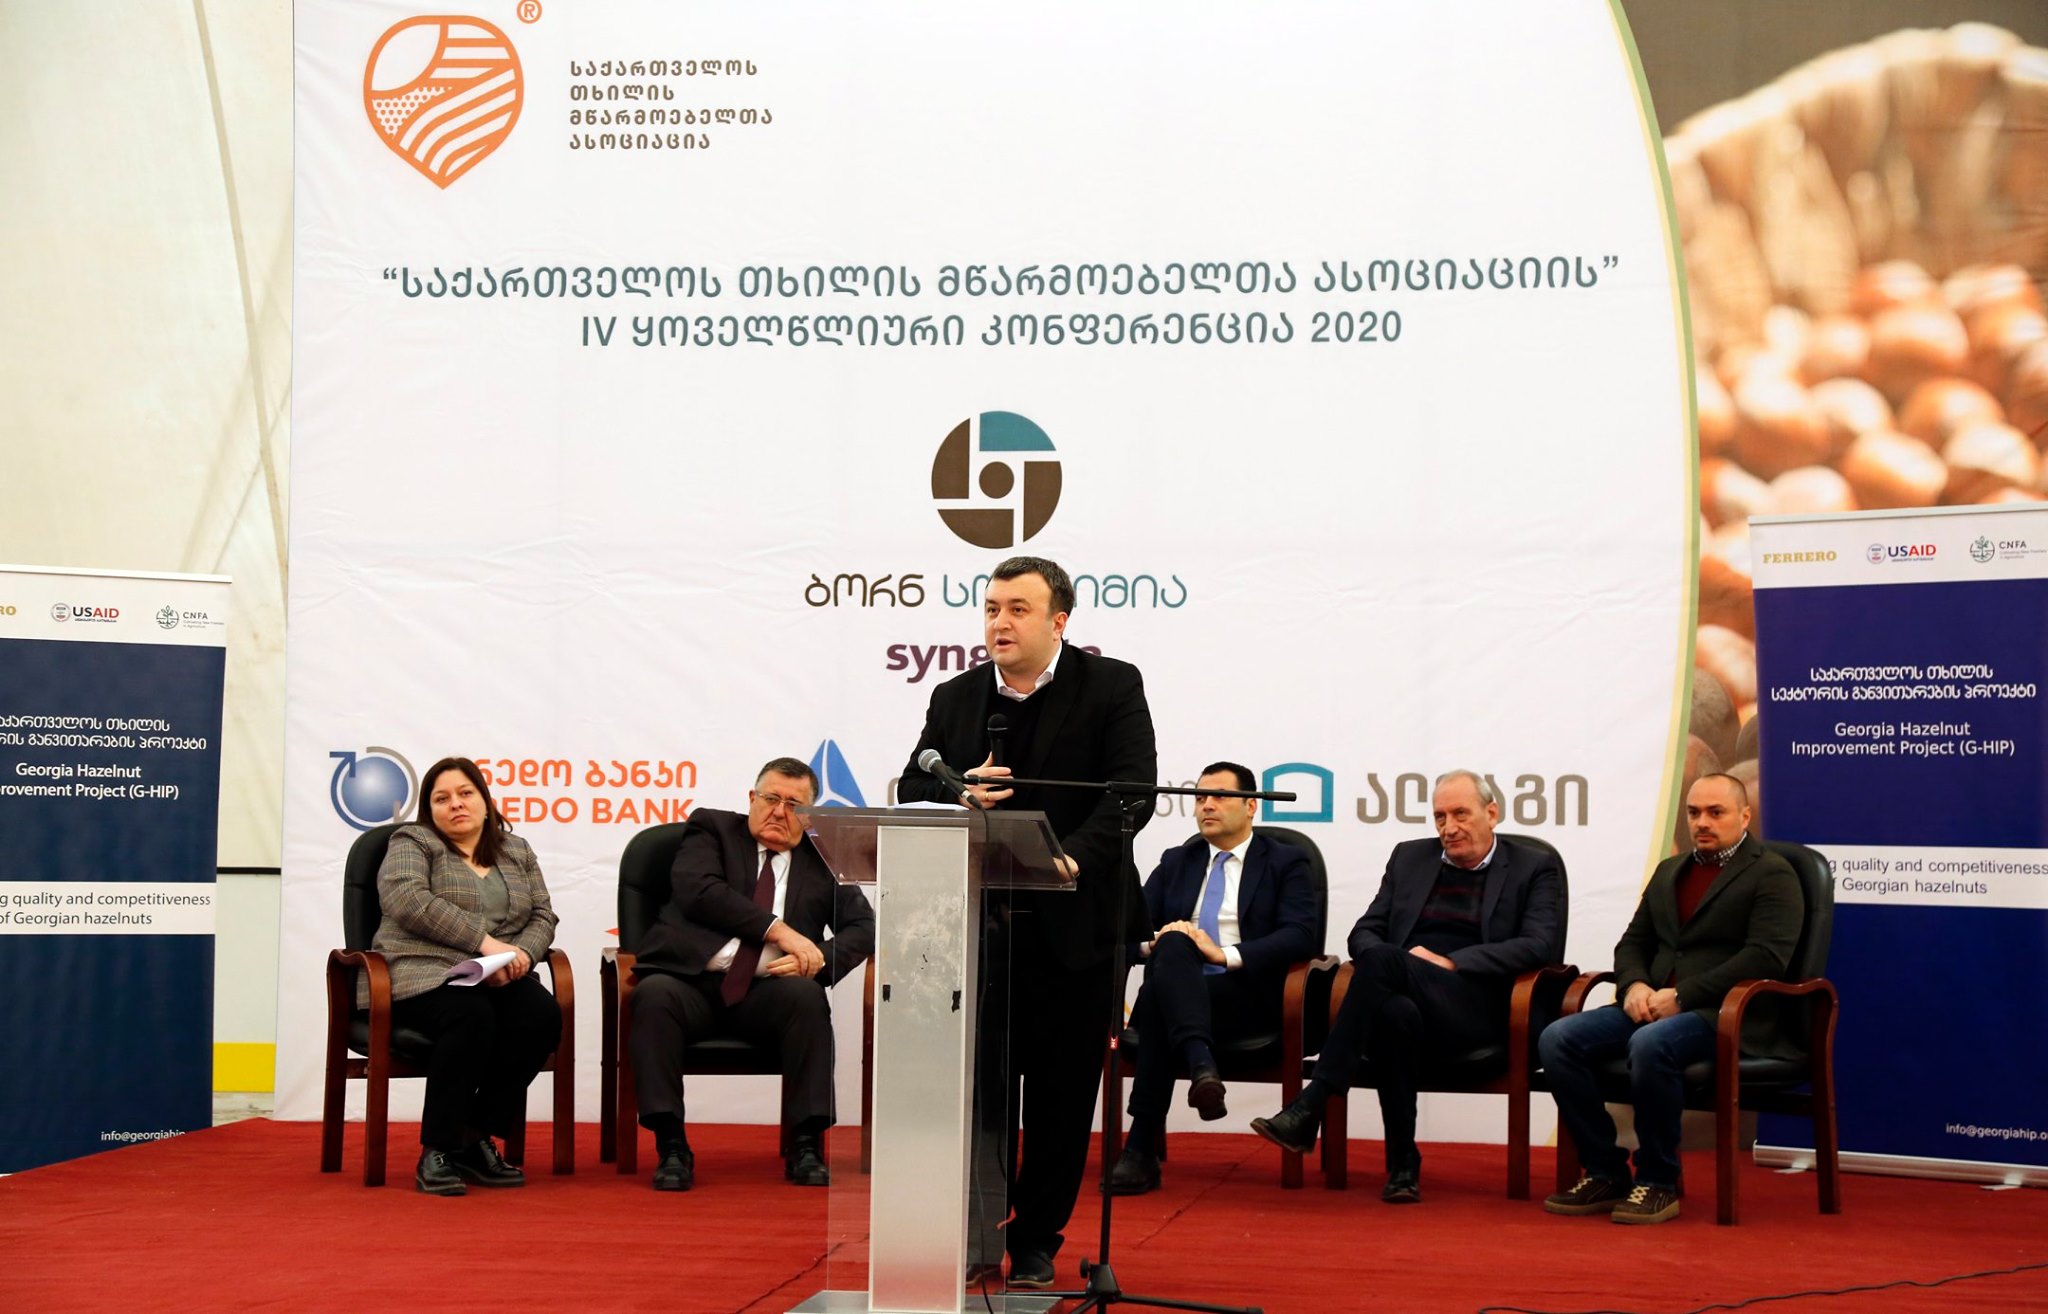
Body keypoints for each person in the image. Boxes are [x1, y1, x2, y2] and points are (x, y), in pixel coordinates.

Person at [898, 555, 1156, 1291]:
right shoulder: (955, 696)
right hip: (976, 932)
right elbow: (913, 782)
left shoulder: (1111, 685)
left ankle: (1038, 1240)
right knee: (978, 1095)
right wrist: (958, 793)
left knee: (1059, 1099)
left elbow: (1132, 793)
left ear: (1058, 621)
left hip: (1075, 929)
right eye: (991, 609)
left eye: (1017, 609)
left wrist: (1070, 858)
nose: (1000, 622)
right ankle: (977, 1232)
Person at [1251, 770, 1562, 1204]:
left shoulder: (1533, 866)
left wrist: (1451, 962)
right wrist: (1397, 965)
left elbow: (1538, 944)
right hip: (1408, 997)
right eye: (1440, 817)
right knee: (1393, 1011)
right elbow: (1364, 932)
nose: (1449, 828)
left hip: (1480, 1008)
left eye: (1460, 814)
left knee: (1385, 963)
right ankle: (1402, 1166)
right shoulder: (1410, 858)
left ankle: (1314, 1101)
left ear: (1492, 813)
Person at [1540, 772, 1802, 1224]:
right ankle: (1605, 1170)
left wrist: (1682, 996)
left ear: (1744, 816)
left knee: (1651, 1043)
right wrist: (1635, 986)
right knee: (1557, 1039)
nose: (1702, 822)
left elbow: (1766, 957)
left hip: (1723, 1012)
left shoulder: (1773, 873)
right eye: (1694, 812)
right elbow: (1632, 944)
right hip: (1654, 1003)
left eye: (1715, 812)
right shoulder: (1671, 871)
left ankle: (1657, 1180)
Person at [628, 757, 875, 1192]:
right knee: (654, 995)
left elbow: (864, 927)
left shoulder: (821, 857)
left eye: (793, 805)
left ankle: (805, 1144)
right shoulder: (712, 829)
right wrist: (781, 932)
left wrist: (818, 956)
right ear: (751, 799)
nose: (779, 812)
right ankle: (671, 1145)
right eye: (771, 798)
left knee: (806, 997)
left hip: (767, 993)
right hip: (691, 984)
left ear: (809, 816)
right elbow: (700, 891)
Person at [1107, 761, 1317, 1196]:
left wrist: (1224, 954)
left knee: (1162, 998)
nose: (1206, 805)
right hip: (1178, 985)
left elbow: (1300, 935)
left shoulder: (1285, 861)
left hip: (1243, 998)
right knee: (1173, 945)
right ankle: (1201, 1064)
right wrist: (1156, 942)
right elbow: (1127, 929)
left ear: (1251, 806)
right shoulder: (1177, 861)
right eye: (1200, 797)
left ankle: (1141, 1148)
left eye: (1220, 796)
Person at [369, 756, 563, 1196]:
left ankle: (474, 1136)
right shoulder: (412, 841)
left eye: (465, 793)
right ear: (429, 810)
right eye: (442, 798)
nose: (455, 804)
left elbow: (542, 914)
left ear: (485, 801)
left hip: (495, 973)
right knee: (470, 1014)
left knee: (541, 1015)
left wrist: (519, 957)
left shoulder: (516, 850)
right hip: (419, 970)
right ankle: (437, 1149)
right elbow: (408, 900)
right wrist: (485, 943)